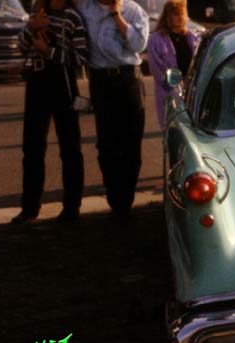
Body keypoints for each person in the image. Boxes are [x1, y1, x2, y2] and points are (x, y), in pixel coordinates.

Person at [12, 0, 88, 224]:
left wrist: (50, 51)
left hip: (63, 84)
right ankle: (29, 208)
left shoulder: (72, 17)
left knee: (70, 148)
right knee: (32, 148)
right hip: (37, 83)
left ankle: (72, 208)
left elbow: (81, 57)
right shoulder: (37, 13)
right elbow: (21, 47)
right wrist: (31, 27)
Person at [80, 0, 148, 220]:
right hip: (101, 80)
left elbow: (139, 45)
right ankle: (115, 198)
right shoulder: (84, 9)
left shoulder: (133, 10)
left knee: (131, 142)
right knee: (107, 144)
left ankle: (124, 201)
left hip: (128, 78)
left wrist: (117, 17)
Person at [147, 0, 199, 131]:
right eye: (176, 14)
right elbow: (156, 68)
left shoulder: (192, 37)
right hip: (169, 92)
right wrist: (176, 83)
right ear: (168, 16)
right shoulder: (157, 39)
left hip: (192, 89)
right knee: (172, 128)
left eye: (182, 13)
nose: (180, 17)